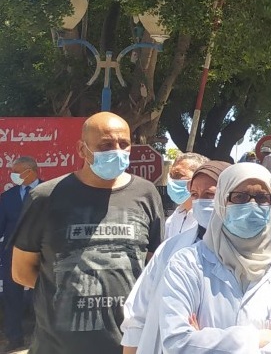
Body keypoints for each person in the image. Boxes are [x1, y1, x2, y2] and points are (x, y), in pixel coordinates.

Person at [10, 112, 164, 354]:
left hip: (128, 346)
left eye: (124, 144)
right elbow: (21, 272)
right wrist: (70, 291)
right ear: (82, 149)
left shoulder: (146, 194)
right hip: (58, 347)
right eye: (105, 145)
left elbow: (153, 268)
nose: (117, 151)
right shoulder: (45, 196)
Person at [155, 162, 271, 352]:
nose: (252, 205)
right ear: (221, 202)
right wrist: (256, 339)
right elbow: (177, 342)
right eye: (240, 197)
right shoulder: (186, 264)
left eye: (262, 198)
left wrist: (205, 340)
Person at [121, 160, 229, 354]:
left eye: (210, 195)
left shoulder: (260, 259)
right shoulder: (170, 250)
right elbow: (137, 316)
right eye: (195, 195)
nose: (200, 202)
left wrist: (203, 341)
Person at [0, 156, 39, 349]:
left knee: (43, 298)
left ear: (30, 171)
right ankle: (14, 339)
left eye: (17, 172)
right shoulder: (7, 197)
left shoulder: (50, 192)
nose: (13, 175)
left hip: (43, 255)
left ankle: (42, 338)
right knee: (12, 299)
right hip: (12, 256)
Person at [164, 153, 208, 240]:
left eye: (178, 175)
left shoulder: (207, 219)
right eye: (171, 175)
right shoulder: (172, 219)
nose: (172, 180)